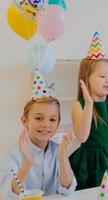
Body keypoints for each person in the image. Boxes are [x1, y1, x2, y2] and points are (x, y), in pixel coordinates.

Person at [69, 32, 108, 190]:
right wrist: (89, 105)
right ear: (86, 78)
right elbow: (82, 137)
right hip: (93, 164)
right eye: (103, 76)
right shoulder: (79, 105)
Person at [0, 71, 76, 199]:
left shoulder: (58, 150)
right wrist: (27, 163)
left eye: (52, 120)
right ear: (25, 121)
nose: (46, 124)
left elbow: (67, 190)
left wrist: (63, 158)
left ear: (58, 124)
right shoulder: (11, 154)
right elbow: (8, 195)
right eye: (39, 118)